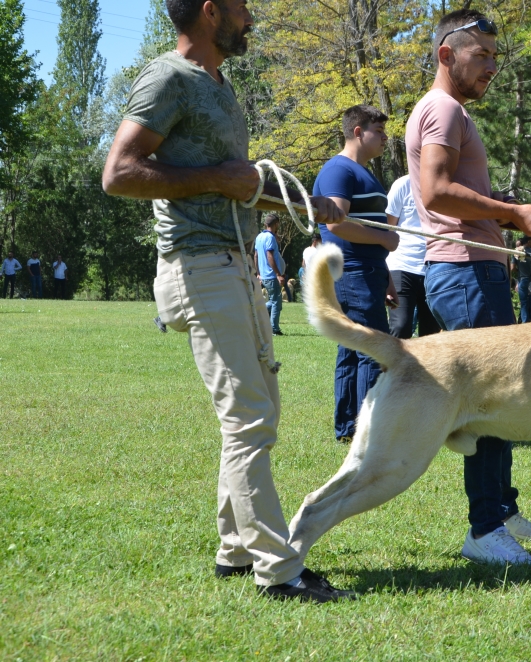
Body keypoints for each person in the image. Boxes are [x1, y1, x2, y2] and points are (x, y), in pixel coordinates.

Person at [101, 0, 349, 603]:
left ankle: (235, 551)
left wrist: (306, 205)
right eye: (241, 6)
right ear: (210, 11)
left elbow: (238, 184)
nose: (251, 16)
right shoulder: (167, 78)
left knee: (255, 408)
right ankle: (278, 568)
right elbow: (119, 174)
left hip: (231, 263)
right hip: (197, 265)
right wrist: (216, 176)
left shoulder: (220, 86)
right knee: (249, 417)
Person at [406, 8, 531, 564]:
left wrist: (513, 222)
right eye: (483, 55)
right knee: (489, 403)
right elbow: (436, 192)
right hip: (465, 271)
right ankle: (483, 529)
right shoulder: (444, 110)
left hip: (477, 269)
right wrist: (511, 211)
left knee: (503, 398)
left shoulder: (452, 111)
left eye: (496, 57)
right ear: (447, 54)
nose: (492, 67)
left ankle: (502, 512)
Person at [313, 104, 399, 444]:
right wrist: (385, 238)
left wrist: (386, 275)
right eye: (379, 132)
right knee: (371, 349)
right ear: (359, 132)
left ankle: (348, 428)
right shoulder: (339, 170)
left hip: (369, 271)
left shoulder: (362, 172)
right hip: (354, 273)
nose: (384, 139)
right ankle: (367, 428)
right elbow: (336, 222)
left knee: (351, 349)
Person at [385, 174, 440, 338]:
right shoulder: (402, 184)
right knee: (400, 327)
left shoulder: (444, 186)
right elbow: (386, 229)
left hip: (434, 268)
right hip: (401, 266)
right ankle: (393, 364)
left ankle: (425, 365)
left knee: (432, 334)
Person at [254, 213, 286, 335]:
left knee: (273, 300)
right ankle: (274, 329)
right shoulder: (270, 238)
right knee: (276, 303)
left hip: (264, 276)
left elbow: (256, 255)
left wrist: (258, 273)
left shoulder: (259, 237)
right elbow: (269, 255)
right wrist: (278, 274)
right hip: (271, 275)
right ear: (276, 224)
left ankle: (258, 314)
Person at [511, 235, 531, 322]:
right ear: (528, 241)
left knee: (524, 303)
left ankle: (525, 321)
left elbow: (512, 268)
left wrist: (519, 271)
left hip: (523, 279)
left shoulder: (517, 253)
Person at [300, 233, 320, 297]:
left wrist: (304, 273)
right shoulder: (318, 251)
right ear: (315, 241)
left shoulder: (306, 250)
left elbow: (303, 264)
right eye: (320, 241)